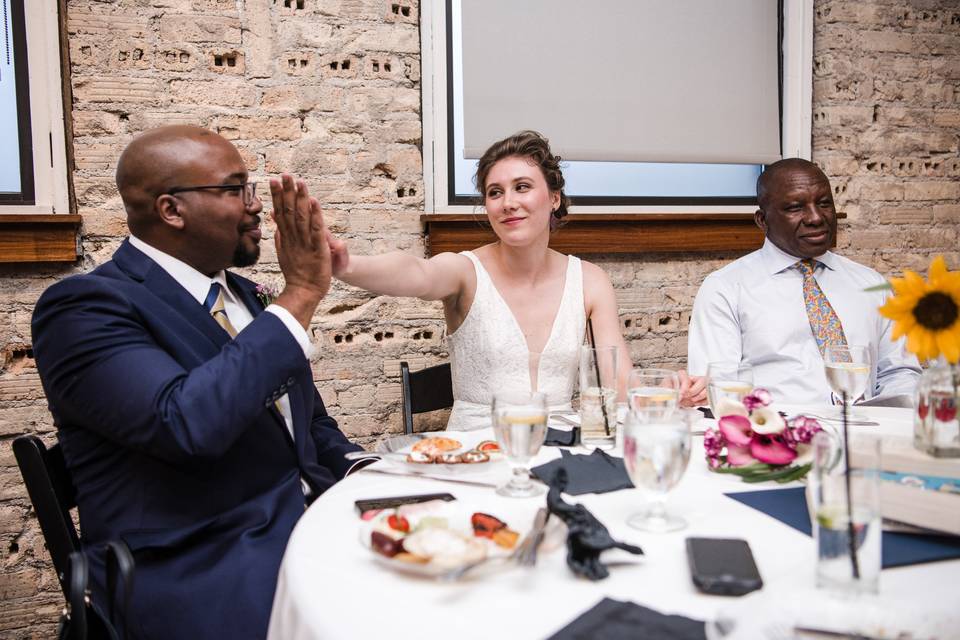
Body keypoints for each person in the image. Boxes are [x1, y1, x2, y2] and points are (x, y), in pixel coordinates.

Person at [31, 126, 363, 640]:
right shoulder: (84, 308)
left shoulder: (247, 297)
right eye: (236, 189)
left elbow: (307, 424)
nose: (256, 206)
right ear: (171, 210)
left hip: (308, 527)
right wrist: (299, 295)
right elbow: (185, 424)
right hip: (202, 565)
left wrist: (371, 474)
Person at [323, 130, 705, 430]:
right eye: (495, 192)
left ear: (554, 198)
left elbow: (619, 384)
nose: (508, 202)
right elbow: (418, 274)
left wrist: (668, 390)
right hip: (476, 456)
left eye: (522, 187)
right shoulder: (465, 272)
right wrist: (347, 266)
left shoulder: (590, 281)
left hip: (563, 452)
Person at [687, 157, 921, 404]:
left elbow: (900, 372)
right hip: (778, 436)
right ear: (762, 220)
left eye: (824, 204)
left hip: (870, 432)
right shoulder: (726, 289)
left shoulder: (871, 284)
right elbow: (717, 390)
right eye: (795, 208)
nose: (816, 217)